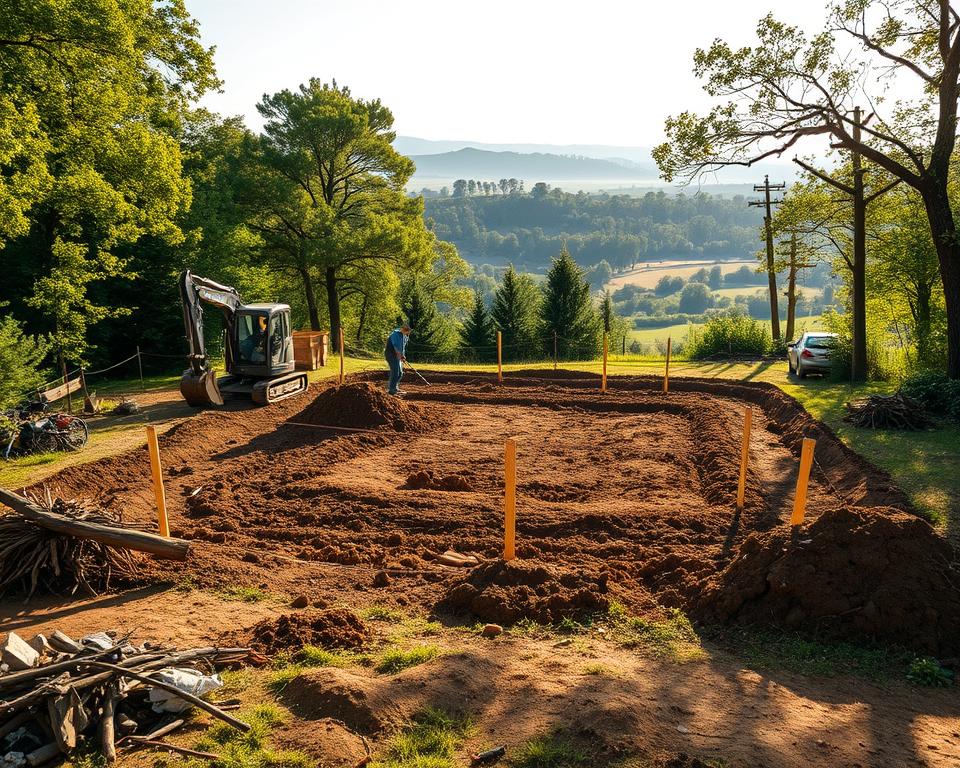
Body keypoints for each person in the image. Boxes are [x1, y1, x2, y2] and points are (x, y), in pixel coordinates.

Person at [384, 324, 411, 395]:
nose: (407, 332)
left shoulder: (404, 336)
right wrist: (399, 355)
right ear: (402, 329)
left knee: (400, 373)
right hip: (391, 355)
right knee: (395, 372)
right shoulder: (395, 335)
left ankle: (395, 388)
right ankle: (392, 390)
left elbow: (402, 348)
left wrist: (403, 356)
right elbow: (396, 347)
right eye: (406, 330)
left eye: (408, 331)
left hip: (397, 356)